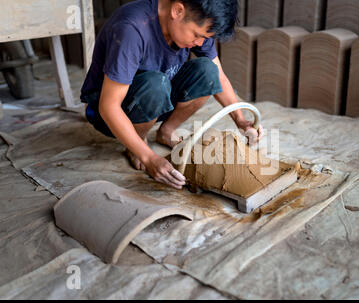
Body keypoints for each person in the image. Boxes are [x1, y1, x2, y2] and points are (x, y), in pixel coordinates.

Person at [80, 0, 264, 190]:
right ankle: (137, 143)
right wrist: (149, 157)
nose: (200, 43)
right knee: (155, 85)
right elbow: (108, 106)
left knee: (208, 71)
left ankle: (166, 131)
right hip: (107, 113)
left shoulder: (196, 20)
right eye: (197, 36)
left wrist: (241, 120)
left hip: (157, 96)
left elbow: (219, 77)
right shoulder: (132, 29)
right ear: (177, 10)